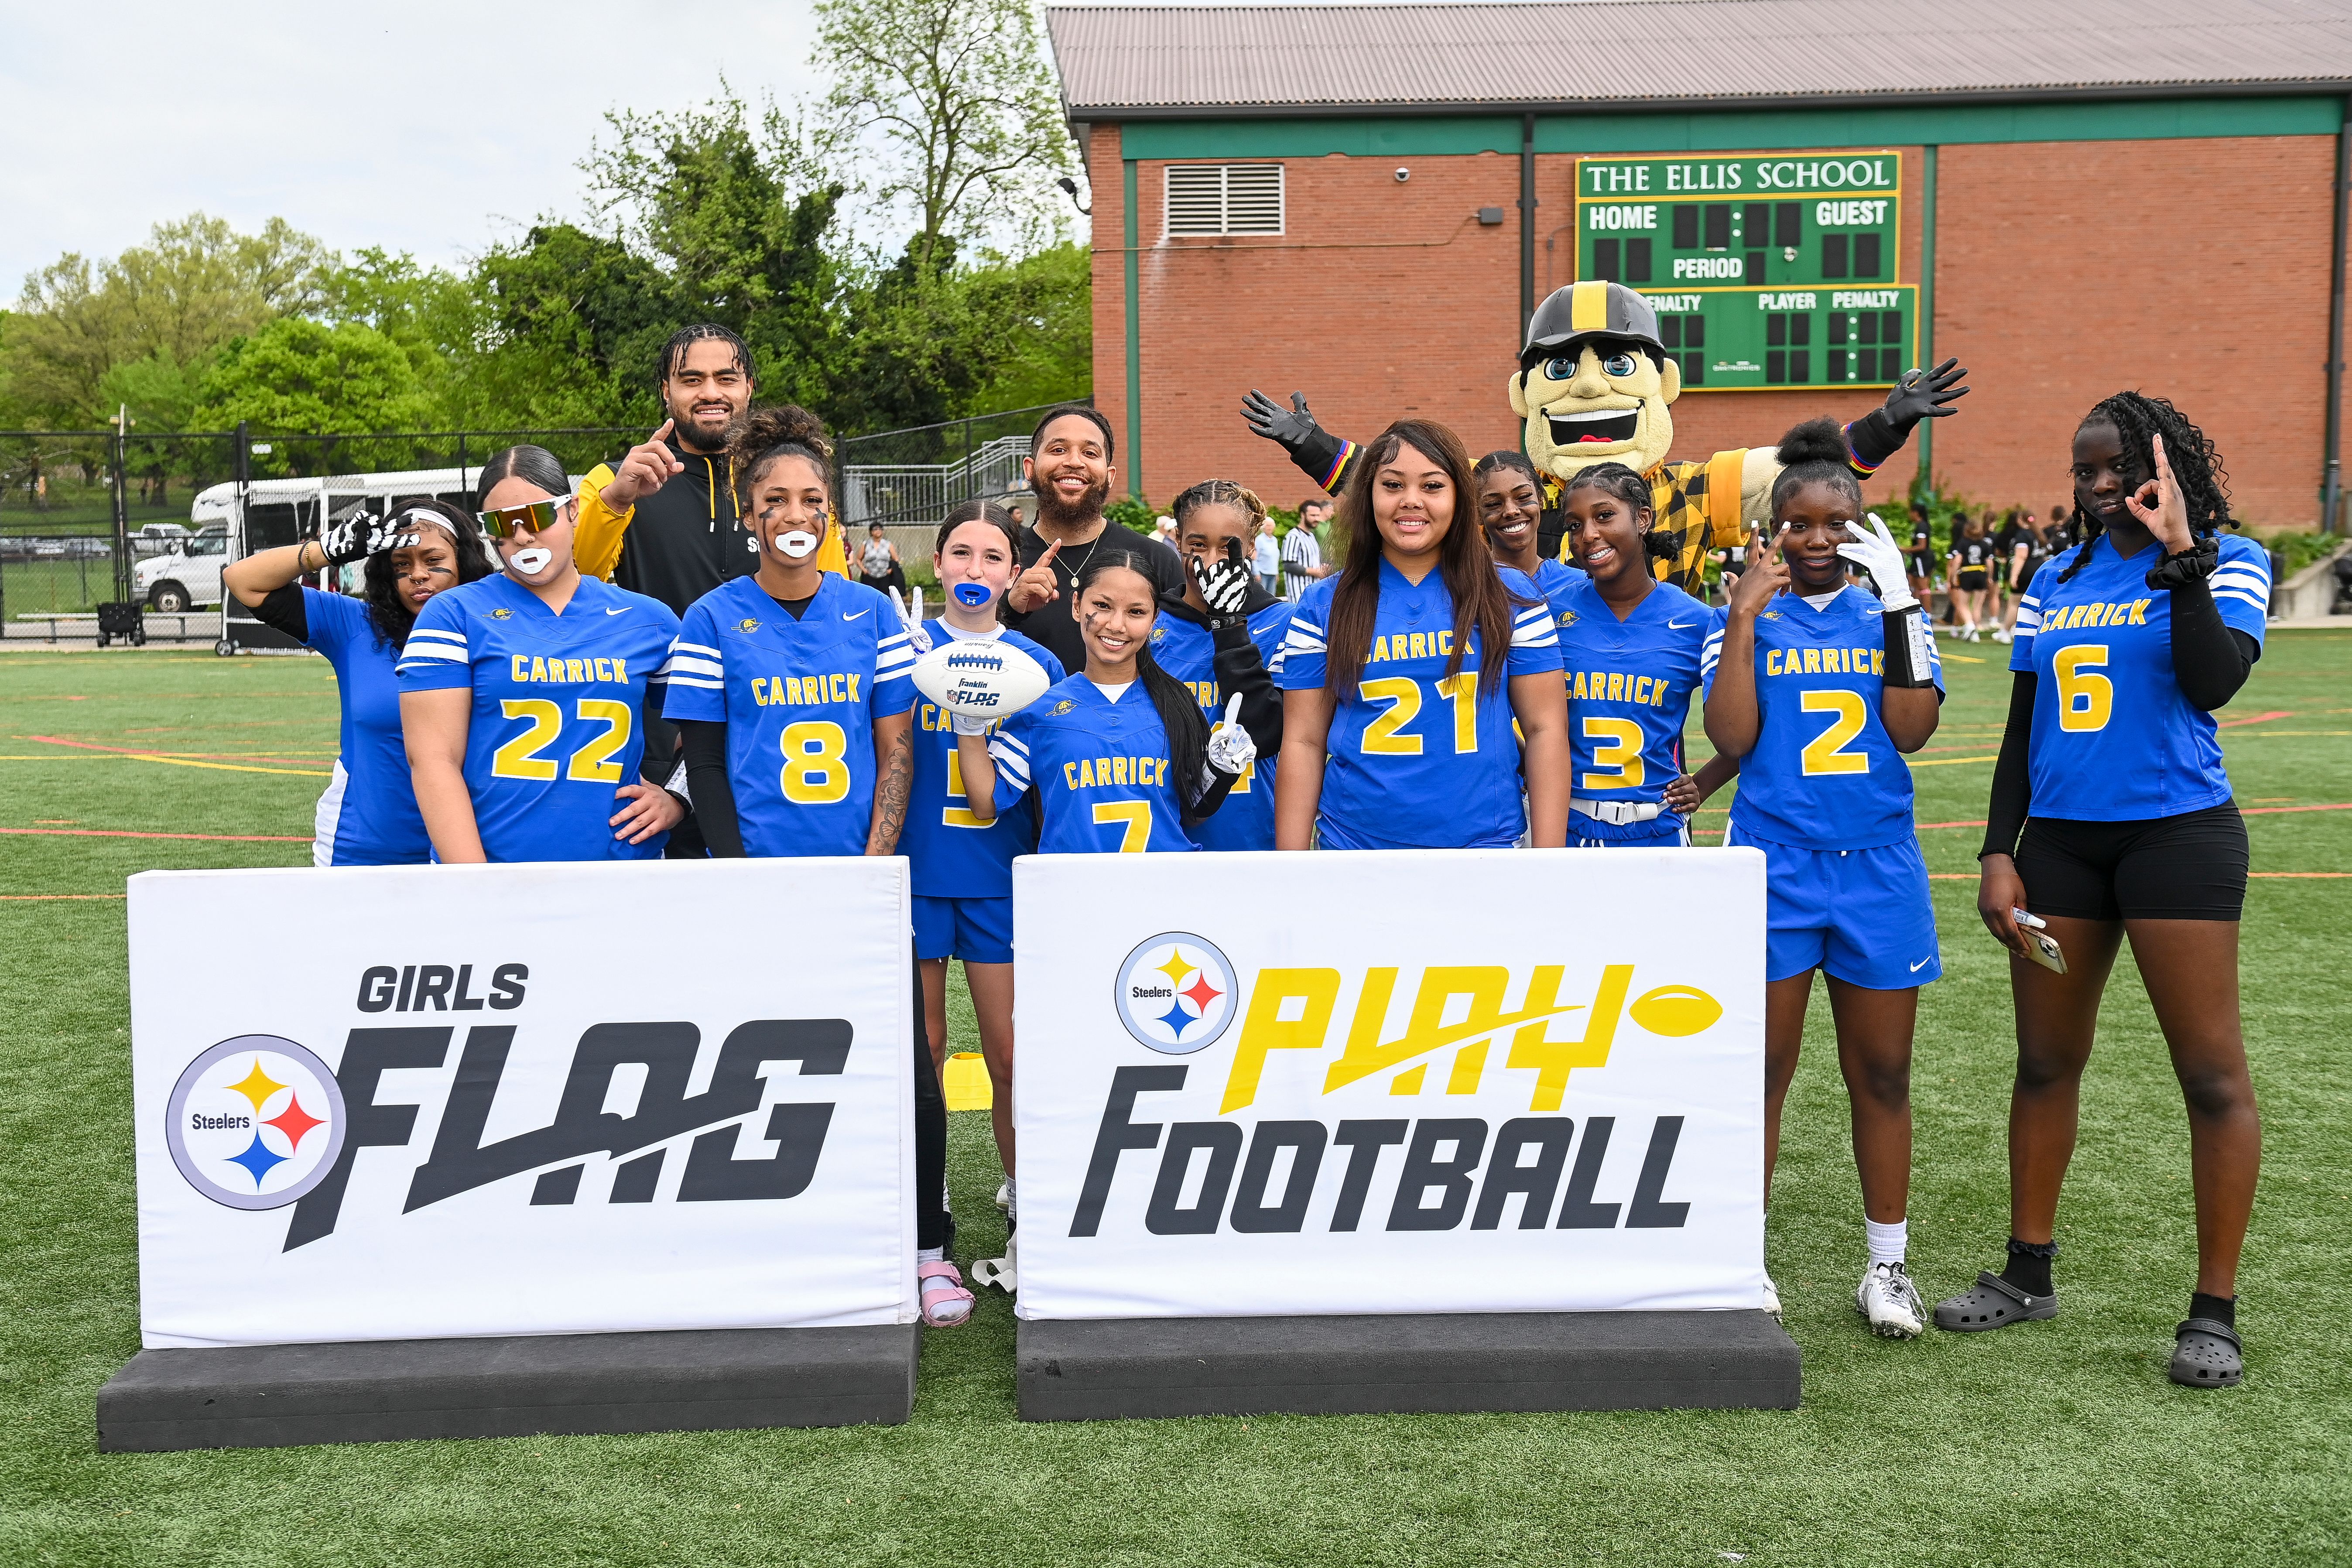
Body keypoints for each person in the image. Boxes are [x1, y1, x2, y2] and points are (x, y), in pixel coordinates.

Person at [1948, 392, 2270, 1390]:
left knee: (2210, 1075)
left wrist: (2182, 562)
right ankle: (2027, 1270)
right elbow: (2020, 730)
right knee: (2045, 1061)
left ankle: (2212, 1308)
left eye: (2109, 469)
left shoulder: (2233, 556)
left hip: (2178, 838)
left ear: (2160, 466)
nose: (2091, 488)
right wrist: (1999, 851)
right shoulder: (2056, 575)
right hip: (2064, 850)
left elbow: (2215, 681)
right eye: (2078, 471)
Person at [658, 407, 969, 1330]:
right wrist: (743, 872)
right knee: (757, 1063)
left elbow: (896, 746)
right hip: (764, 881)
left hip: (862, 881)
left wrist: (874, 866)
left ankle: (926, 1249)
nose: (793, 512)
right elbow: (704, 760)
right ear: (750, 515)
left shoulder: (870, 610)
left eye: (810, 499)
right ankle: (776, 1243)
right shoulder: (712, 617)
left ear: (829, 513)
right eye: (773, 499)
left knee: (909, 1067)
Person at [1701, 417, 1944, 1336]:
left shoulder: (1885, 611)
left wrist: (1901, 607)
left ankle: (1886, 1267)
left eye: (1831, 524)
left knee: (1879, 1074)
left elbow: (1913, 731)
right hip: (1774, 864)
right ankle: (1740, 1257)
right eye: (1796, 523)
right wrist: (1739, 619)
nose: (1814, 539)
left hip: (1877, 864)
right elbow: (1729, 739)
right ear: (1772, 527)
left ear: (1858, 528)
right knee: (1760, 1071)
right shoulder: (1752, 614)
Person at [572, 329, 849, 857]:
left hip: (776, 758)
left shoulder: (792, 495)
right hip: (651, 771)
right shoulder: (613, 481)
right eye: (691, 379)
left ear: (750, 387)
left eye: (726, 377)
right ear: (665, 391)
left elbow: (829, 617)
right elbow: (571, 578)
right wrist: (617, 498)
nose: (710, 392)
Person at [1274, 419, 1570, 851]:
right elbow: (1303, 740)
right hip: (1355, 850)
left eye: (1432, 486)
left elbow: (1545, 729)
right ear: (1369, 496)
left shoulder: (1509, 594)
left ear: (1459, 498)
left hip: (1484, 848)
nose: (1411, 501)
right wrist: (1293, 866)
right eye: (1393, 485)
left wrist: (1548, 860)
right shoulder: (1324, 604)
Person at [397, 445, 685, 862]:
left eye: (537, 516)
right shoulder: (453, 614)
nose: (522, 536)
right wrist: (473, 881)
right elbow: (433, 761)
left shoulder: (648, 620)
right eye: (502, 523)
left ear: (572, 510)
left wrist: (678, 796)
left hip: (623, 875)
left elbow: (724, 722)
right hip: (497, 873)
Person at [898, 500, 1065, 1220]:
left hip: (999, 873)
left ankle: (1024, 1193)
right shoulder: (900, 646)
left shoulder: (1039, 662)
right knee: (924, 1048)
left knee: (1008, 1053)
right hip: (915, 871)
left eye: (993, 556)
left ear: (1014, 573)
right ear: (936, 564)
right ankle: (924, 1191)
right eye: (960, 552)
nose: (975, 568)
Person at [224, 500, 496, 865]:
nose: (418, 574)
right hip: (363, 849)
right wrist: (325, 551)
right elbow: (242, 581)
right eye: (402, 564)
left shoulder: (500, 629)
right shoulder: (355, 623)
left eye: (433, 561)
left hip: (478, 846)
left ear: (465, 562)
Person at [954, 551, 1255, 853]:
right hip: (1072, 892)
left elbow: (1193, 814)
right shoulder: (1043, 709)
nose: (1116, 625)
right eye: (1102, 606)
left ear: (1154, 620)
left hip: (1162, 890)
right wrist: (968, 720)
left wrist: (1219, 775)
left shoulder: (1177, 703)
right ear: (1076, 605)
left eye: (1136, 612)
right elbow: (986, 803)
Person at [1549, 463, 1733, 846]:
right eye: (1574, 526)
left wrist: (1703, 783)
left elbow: (1749, 724)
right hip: (1567, 827)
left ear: (1643, 518)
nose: (1588, 535)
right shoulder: (1548, 613)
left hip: (1657, 829)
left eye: (1604, 516)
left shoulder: (1697, 621)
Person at [1151, 479, 1293, 851]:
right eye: (1197, 545)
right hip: (1166, 832)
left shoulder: (1284, 621)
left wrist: (1228, 626)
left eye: (1227, 547)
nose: (1210, 561)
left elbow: (1265, 734)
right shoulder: (1148, 622)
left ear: (1250, 547)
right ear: (1178, 539)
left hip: (1251, 830)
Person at [1000, 404, 1187, 676]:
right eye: (1058, 450)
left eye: (1090, 453)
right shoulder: (1000, 559)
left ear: (1109, 477)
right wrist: (1010, 609)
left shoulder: (1155, 559)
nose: (1075, 462)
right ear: (1030, 469)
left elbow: (1184, 658)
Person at [1473, 449, 1575, 599]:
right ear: (1477, 514)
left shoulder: (1576, 585)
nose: (1511, 511)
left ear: (1541, 498)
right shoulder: (1466, 588)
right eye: (1493, 504)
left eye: (1523, 497)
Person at [1947, 513, 1997, 641]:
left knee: (1963, 604)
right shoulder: (1985, 544)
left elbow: (1958, 559)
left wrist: (1953, 576)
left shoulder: (1963, 543)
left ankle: (1969, 625)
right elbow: (1990, 562)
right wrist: (1990, 577)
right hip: (1981, 572)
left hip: (1967, 573)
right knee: (1977, 606)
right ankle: (1975, 633)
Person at [1282, 496, 1333, 602]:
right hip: (1299, 595)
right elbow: (1289, 565)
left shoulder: (1311, 536)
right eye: (1313, 515)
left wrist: (1322, 569)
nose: (1316, 519)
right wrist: (1315, 572)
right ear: (1303, 515)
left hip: (1313, 594)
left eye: (1318, 516)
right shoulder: (1293, 536)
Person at [858, 521, 906, 596]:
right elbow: (858, 559)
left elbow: (896, 559)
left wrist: (891, 570)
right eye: (875, 529)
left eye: (880, 529)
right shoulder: (866, 544)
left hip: (884, 575)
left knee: (884, 596)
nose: (878, 531)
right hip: (870, 575)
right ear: (871, 532)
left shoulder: (888, 544)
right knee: (871, 596)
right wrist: (864, 570)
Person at [1253, 515, 1280, 594]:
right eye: (1268, 526)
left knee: (1272, 597)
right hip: (1262, 574)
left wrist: (1277, 573)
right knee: (1261, 596)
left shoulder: (1275, 540)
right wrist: (1257, 573)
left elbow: (1275, 558)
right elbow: (1255, 558)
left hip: (1273, 574)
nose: (1270, 528)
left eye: (1271, 526)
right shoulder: (1259, 540)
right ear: (1263, 527)